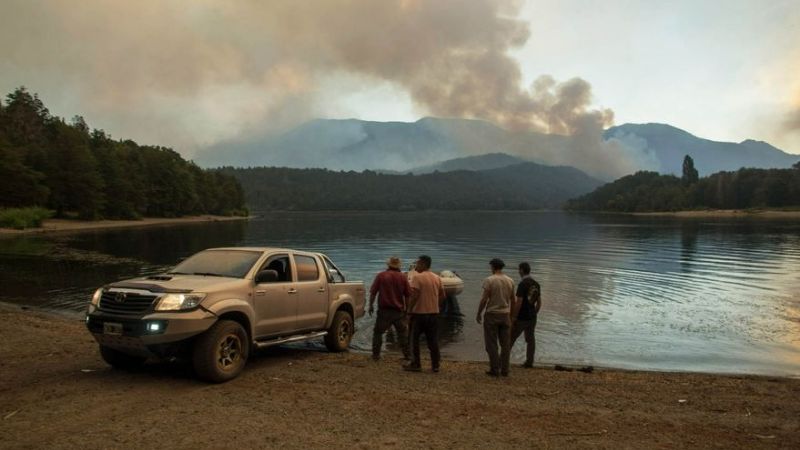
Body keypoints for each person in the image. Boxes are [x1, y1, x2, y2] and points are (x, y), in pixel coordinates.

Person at [403, 255, 446, 373]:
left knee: (414, 340)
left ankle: (416, 364)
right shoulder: (437, 278)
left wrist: (409, 310)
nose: (416, 265)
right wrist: (436, 305)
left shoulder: (417, 278)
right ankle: (435, 365)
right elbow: (443, 295)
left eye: (417, 263)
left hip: (419, 314)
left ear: (423, 264)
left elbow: (415, 295)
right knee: (433, 341)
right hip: (433, 314)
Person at [476, 258, 515, 377]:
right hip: (505, 314)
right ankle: (505, 369)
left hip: (492, 314)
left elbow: (484, 299)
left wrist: (479, 313)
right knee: (505, 344)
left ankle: (495, 369)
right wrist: (511, 315)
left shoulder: (490, 280)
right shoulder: (510, 280)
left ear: (493, 267)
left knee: (491, 343)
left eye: (491, 266)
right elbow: (513, 300)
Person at [369, 256, 411, 360]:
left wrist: (370, 305)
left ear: (388, 265)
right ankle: (407, 355)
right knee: (402, 334)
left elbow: (373, 292)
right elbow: (408, 295)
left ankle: (376, 355)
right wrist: (407, 310)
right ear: (398, 266)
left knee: (378, 333)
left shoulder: (381, 276)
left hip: (384, 311)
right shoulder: (403, 277)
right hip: (398, 311)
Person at [510, 261, 541, 368]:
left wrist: (513, 317)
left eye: (519, 269)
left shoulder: (522, 284)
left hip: (521, 318)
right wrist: (534, 314)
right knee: (530, 340)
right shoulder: (536, 284)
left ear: (522, 270)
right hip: (532, 317)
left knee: (510, 338)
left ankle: (502, 361)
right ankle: (529, 362)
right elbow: (539, 303)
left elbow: (518, 302)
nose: (518, 271)